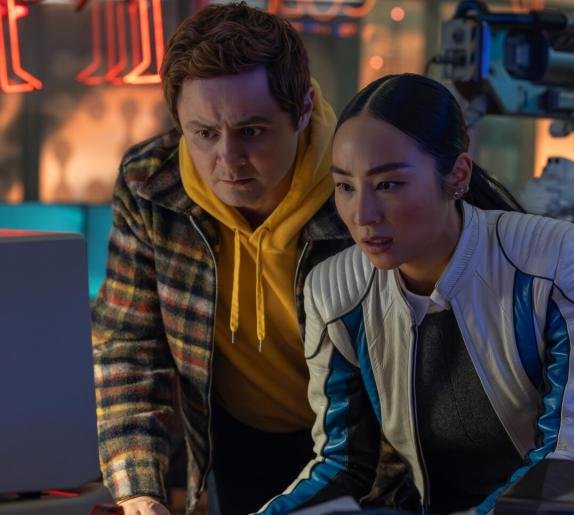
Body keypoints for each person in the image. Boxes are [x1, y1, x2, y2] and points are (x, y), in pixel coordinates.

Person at [257, 73, 574, 515]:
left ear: (457, 176)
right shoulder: (334, 291)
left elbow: (567, 457)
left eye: (388, 184)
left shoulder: (553, 257)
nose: (362, 214)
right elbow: (341, 463)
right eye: (345, 187)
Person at [91, 3, 352, 514]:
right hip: (235, 442)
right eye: (204, 133)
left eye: (252, 131)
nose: (228, 160)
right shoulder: (152, 183)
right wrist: (138, 492)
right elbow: (128, 348)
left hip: (361, 447)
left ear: (303, 109)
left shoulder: (362, 190)